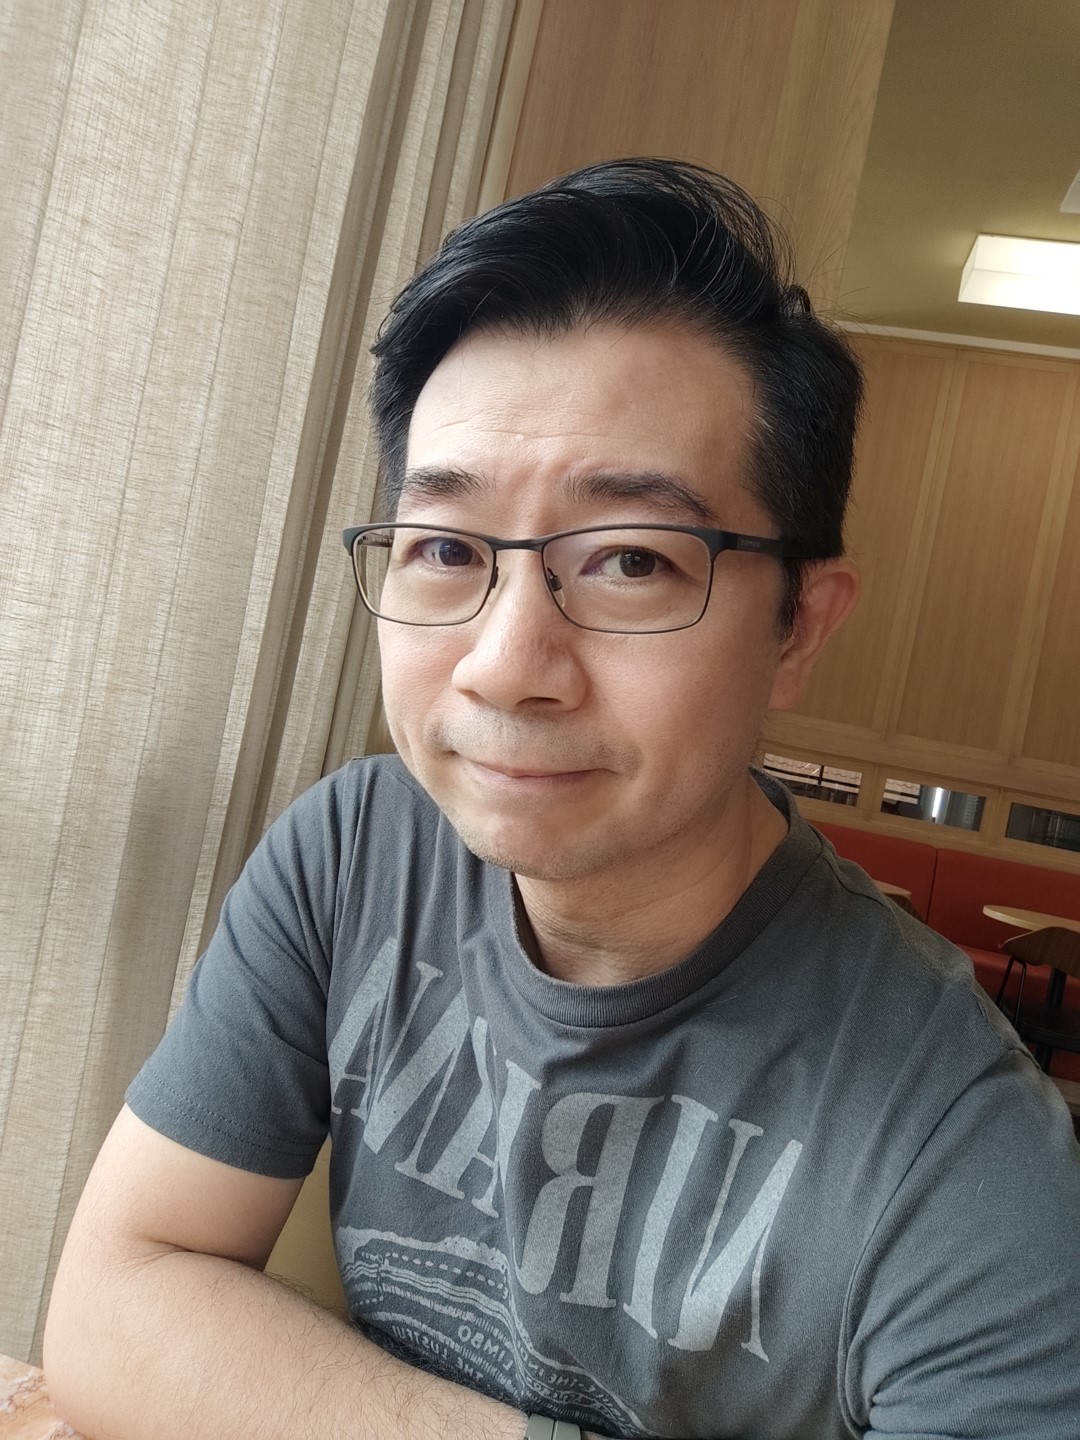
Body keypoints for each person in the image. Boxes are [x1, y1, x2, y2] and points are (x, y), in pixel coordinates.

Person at [45, 159, 1079, 1440]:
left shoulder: (961, 1148)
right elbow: (114, 1302)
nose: (504, 666)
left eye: (631, 560)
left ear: (799, 627)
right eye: (444, 548)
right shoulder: (359, 852)